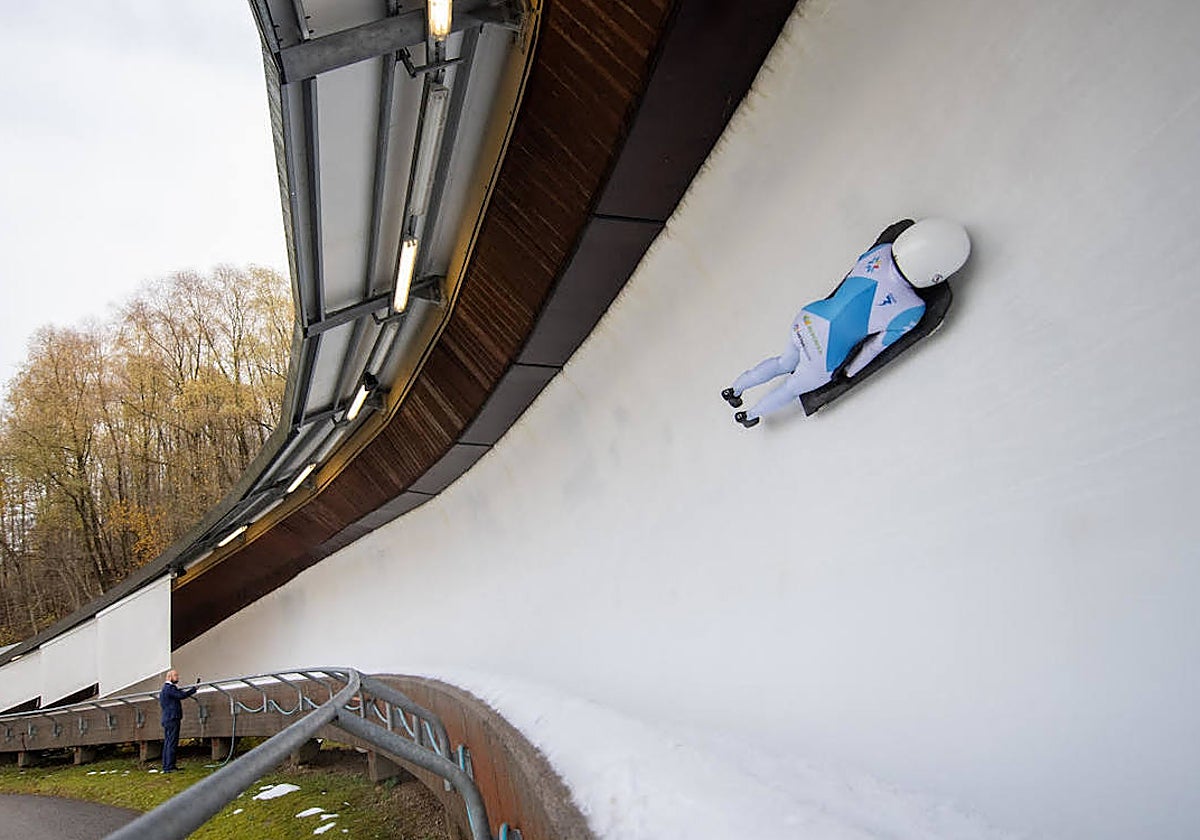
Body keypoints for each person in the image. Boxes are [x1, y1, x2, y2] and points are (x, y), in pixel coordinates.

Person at [721, 218, 970, 427]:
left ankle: (734, 390)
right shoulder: (912, 310)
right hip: (825, 356)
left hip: (809, 318)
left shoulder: (881, 252)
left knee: (783, 362)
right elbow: (873, 348)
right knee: (791, 388)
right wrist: (850, 372)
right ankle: (750, 415)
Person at [159, 669, 197, 772]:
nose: (177, 678)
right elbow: (181, 695)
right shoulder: (169, 688)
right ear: (169, 677)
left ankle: (167, 766)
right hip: (172, 718)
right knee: (172, 742)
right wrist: (194, 689)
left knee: (168, 742)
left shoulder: (165, 689)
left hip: (167, 718)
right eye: (175, 676)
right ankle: (170, 766)